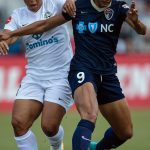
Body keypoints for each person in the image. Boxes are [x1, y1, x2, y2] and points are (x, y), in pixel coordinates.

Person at [0, 0, 147, 150]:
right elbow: (39, 26)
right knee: (88, 114)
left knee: (125, 132)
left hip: (91, 73)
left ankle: (90, 148)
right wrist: (8, 36)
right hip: (72, 70)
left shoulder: (118, 7)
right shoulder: (77, 6)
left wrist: (136, 23)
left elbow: (142, 30)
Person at [0, 0, 76, 150]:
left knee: (49, 126)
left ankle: (56, 146)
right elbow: (8, 36)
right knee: (18, 122)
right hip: (34, 76)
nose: (33, 1)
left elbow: (44, 24)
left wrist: (71, 1)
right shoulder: (18, 15)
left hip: (62, 74)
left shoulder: (56, 4)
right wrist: (4, 41)